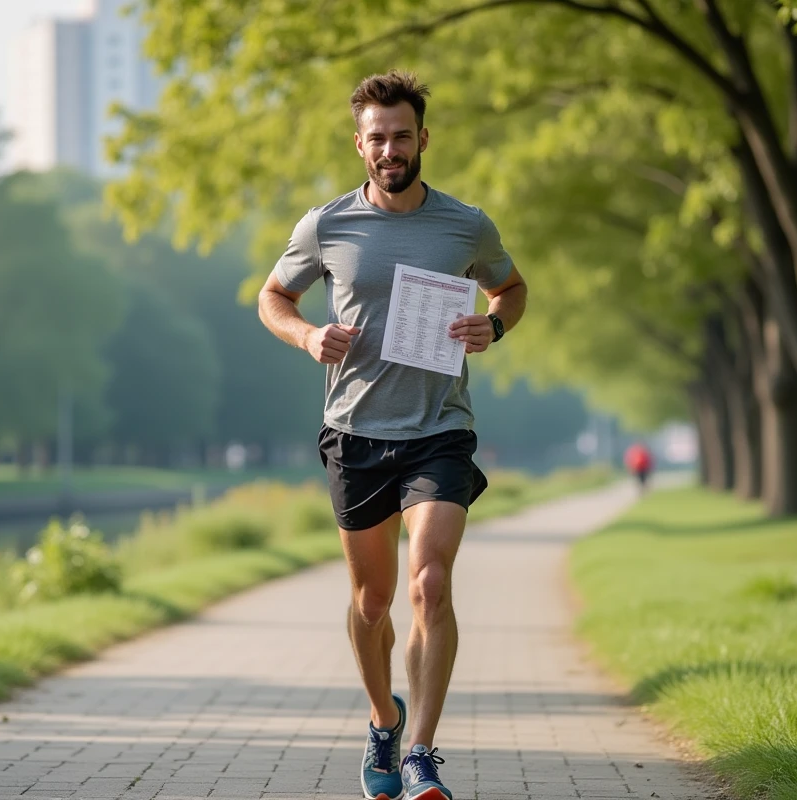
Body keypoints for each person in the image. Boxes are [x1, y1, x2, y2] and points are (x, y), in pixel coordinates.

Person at [257, 70, 528, 800]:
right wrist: (308, 335)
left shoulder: (465, 224)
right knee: (372, 602)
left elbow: (511, 286)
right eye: (376, 138)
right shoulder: (327, 226)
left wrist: (493, 323)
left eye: (401, 136)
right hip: (355, 432)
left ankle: (421, 754)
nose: (389, 149)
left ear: (422, 139)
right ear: (359, 144)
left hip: (440, 428)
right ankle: (384, 717)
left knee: (429, 584)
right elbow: (272, 296)